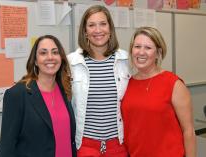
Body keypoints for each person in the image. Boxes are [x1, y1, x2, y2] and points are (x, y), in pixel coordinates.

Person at [121, 26, 196, 157]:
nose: (141, 52)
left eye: (148, 48)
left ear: (158, 53)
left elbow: (188, 131)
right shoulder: (127, 83)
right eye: (137, 46)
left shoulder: (173, 83)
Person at [67, 5, 131, 157]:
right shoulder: (71, 63)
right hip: (85, 145)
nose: (98, 30)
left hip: (119, 144)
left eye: (103, 23)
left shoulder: (126, 61)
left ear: (110, 28)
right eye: (91, 25)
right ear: (85, 31)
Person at [0, 35, 77, 157]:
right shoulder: (17, 94)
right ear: (35, 60)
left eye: (55, 52)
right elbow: (7, 148)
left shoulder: (65, 89)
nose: (50, 57)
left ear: (61, 58)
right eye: (43, 53)